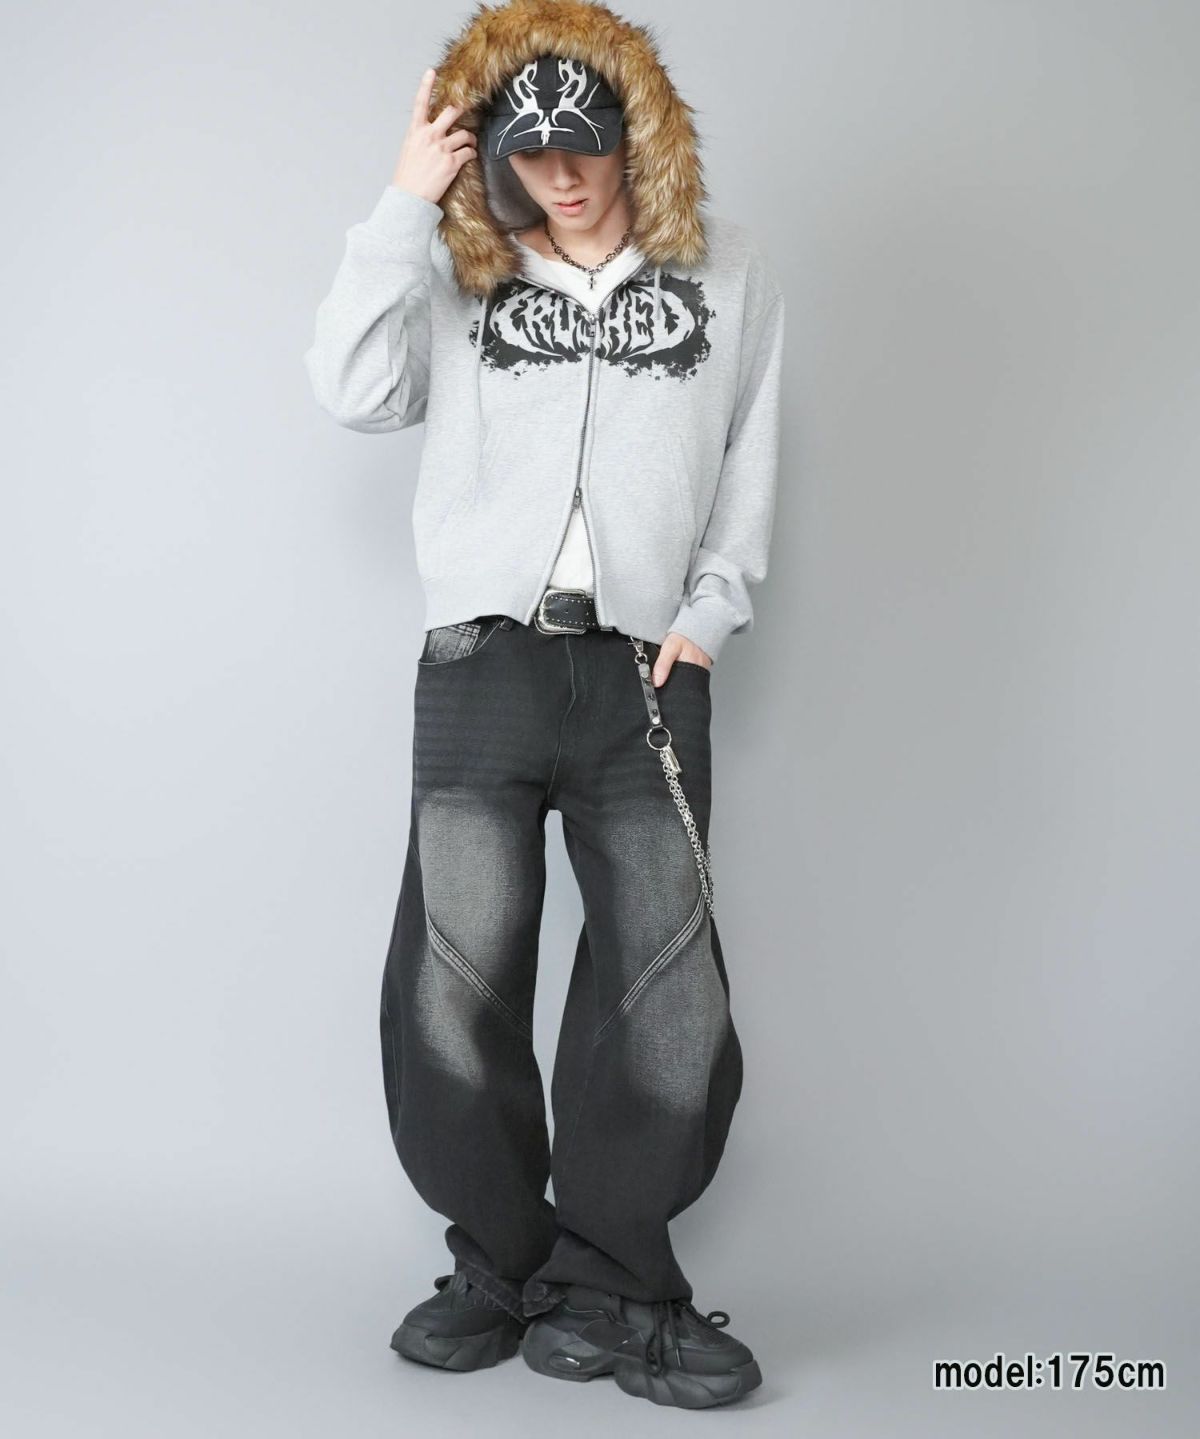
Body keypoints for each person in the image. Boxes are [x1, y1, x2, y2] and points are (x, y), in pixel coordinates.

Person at [303, 0, 783, 1411]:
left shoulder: (729, 270)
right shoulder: (464, 270)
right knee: (454, 980)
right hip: (482, 664)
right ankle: (500, 1264)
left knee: (667, 987)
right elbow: (351, 389)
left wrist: (708, 618)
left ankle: (616, 1283)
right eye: (529, 151)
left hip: (646, 672)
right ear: (492, 150)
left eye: (589, 145)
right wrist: (406, 203)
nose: (561, 177)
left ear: (642, 134)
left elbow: (748, 458)